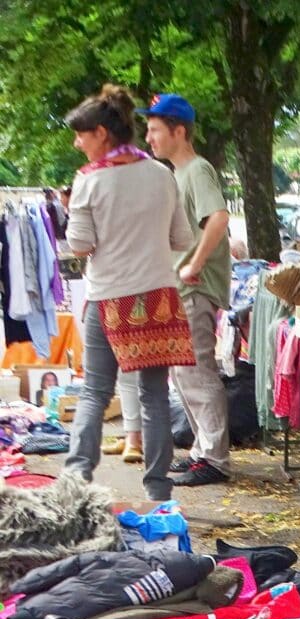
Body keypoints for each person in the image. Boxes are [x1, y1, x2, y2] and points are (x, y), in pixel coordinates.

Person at [62, 84, 195, 501]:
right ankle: (158, 490)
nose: (77, 143)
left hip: (109, 298)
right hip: (158, 297)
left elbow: (79, 245)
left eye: (81, 135)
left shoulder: (88, 181)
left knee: (95, 391)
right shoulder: (161, 174)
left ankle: (76, 481)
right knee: (155, 396)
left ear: (101, 133)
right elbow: (182, 238)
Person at [143, 93, 232, 487]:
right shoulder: (179, 173)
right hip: (180, 288)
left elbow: (219, 218)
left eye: (155, 130)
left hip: (194, 288)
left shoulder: (197, 170)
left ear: (179, 131)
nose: (149, 138)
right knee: (183, 373)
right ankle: (202, 451)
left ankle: (214, 458)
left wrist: (194, 265)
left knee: (195, 371)